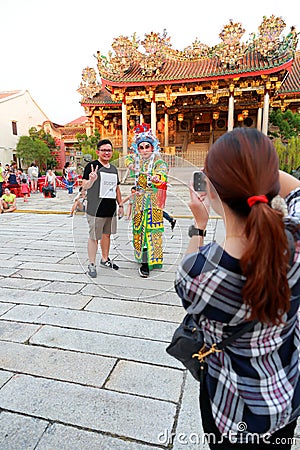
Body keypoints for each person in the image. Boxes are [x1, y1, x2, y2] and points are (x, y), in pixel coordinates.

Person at [175, 128, 300, 449]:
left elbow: (186, 277)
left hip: (234, 412)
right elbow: (297, 189)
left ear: (213, 191)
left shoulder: (199, 273)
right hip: (287, 395)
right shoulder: (296, 239)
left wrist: (199, 225)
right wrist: (257, 169)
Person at [126, 123, 168, 278]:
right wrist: (130, 164)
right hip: (139, 201)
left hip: (153, 202)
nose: (144, 150)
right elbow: (128, 159)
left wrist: (158, 177)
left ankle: (148, 263)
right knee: (139, 230)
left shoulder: (158, 162)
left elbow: (162, 172)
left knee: (151, 231)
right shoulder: (137, 162)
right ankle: (142, 258)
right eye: (141, 147)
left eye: (147, 147)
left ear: (153, 148)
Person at [82, 139, 124, 278]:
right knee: (94, 236)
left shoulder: (113, 168)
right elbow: (85, 186)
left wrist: (121, 205)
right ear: (98, 152)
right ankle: (91, 264)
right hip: (95, 209)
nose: (107, 153)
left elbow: (116, 188)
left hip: (110, 208)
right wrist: (92, 179)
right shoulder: (92, 166)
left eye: (109, 150)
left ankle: (105, 259)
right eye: (104, 150)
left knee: (107, 235)